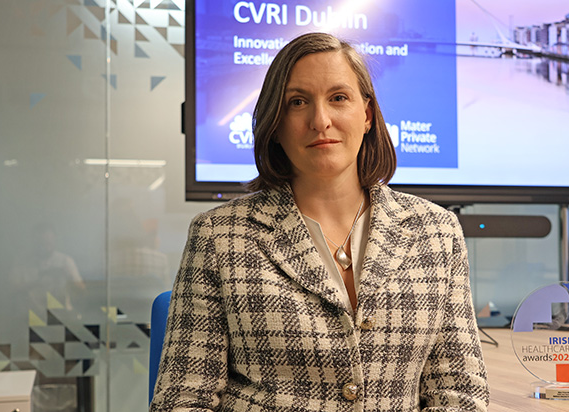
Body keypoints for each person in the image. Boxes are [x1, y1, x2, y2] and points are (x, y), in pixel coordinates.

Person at [150, 32, 489, 411]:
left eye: (338, 98)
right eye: (298, 102)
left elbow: (460, 396)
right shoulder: (220, 236)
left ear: (367, 115)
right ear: (275, 126)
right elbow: (181, 401)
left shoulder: (436, 232)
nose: (320, 120)